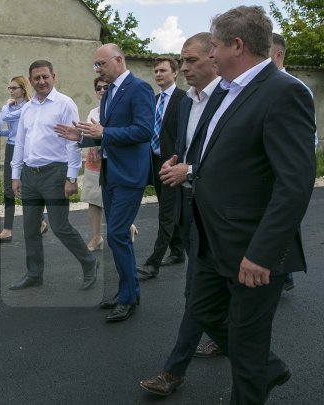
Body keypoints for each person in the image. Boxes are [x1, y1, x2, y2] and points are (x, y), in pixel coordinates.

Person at [188, 6, 316, 404]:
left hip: (252, 247)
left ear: (237, 45)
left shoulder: (285, 92)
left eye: (214, 47)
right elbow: (218, 154)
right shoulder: (225, 90)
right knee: (204, 311)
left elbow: (294, 183)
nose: (210, 55)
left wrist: (262, 253)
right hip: (213, 239)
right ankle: (269, 367)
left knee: (246, 346)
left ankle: (255, 378)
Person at [139, 32, 227, 397]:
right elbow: (184, 145)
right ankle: (247, 353)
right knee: (202, 290)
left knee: (199, 292)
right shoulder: (188, 103)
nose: (184, 68)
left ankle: (174, 370)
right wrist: (178, 162)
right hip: (193, 208)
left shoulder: (231, 99)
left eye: (191, 60)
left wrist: (189, 171)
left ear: (214, 58)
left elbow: (234, 158)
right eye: (182, 60)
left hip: (225, 213)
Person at [56, 43, 154, 322]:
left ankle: (127, 298)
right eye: (95, 65)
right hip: (109, 173)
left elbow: (145, 130)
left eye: (101, 64)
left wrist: (104, 131)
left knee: (118, 235)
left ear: (119, 60)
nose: (97, 70)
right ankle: (129, 292)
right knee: (118, 235)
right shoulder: (109, 92)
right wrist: (82, 138)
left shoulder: (140, 88)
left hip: (129, 175)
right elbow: (103, 134)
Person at [8, 59, 99, 291]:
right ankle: (34, 274)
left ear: (53, 77)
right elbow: (20, 143)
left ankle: (90, 263)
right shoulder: (27, 108)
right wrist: (15, 174)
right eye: (36, 78)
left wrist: (71, 177)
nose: (41, 81)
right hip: (30, 175)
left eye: (45, 77)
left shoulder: (64, 104)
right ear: (30, 81)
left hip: (54, 174)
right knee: (30, 228)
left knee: (59, 226)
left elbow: (72, 142)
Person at [269, 31, 320, 292]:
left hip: (285, 170)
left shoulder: (294, 87)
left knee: (284, 221)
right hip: (271, 169)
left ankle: (284, 273)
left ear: (278, 54)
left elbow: (307, 136)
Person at [138, 57, 187, 280]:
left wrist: (179, 162)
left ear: (175, 73)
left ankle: (153, 263)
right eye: (156, 71)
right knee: (167, 208)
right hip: (155, 162)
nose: (158, 74)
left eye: (163, 70)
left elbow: (185, 134)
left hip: (172, 164)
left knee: (166, 213)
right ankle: (177, 252)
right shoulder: (154, 100)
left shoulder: (183, 99)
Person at [0, 76, 48, 243]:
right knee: (8, 188)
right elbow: (12, 130)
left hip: (24, 149)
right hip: (11, 147)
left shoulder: (26, 106)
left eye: (14, 88)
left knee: (26, 186)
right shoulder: (14, 107)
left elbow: (6, 117)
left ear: (23, 89)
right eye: (10, 88)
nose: (11, 91)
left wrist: (6, 106)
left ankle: (40, 220)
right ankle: (7, 229)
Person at [81, 77, 107, 252]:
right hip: (93, 161)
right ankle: (96, 237)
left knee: (111, 201)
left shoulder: (117, 111)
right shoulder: (92, 112)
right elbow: (88, 135)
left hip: (112, 161)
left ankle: (127, 228)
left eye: (106, 87)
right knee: (93, 201)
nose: (102, 91)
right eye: (98, 88)